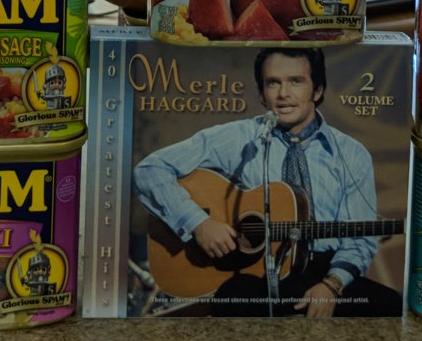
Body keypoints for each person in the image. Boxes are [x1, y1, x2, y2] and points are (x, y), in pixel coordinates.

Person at [132, 46, 401, 317]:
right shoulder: (240, 137)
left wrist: (332, 285)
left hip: (323, 270)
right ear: (262, 94)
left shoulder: (352, 154)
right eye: (273, 83)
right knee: (234, 296)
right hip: (254, 274)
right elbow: (149, 170)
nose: (283, 94)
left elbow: (358, 241)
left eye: (296, 81)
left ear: (317, 91)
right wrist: (197, 223)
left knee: (390, 305)